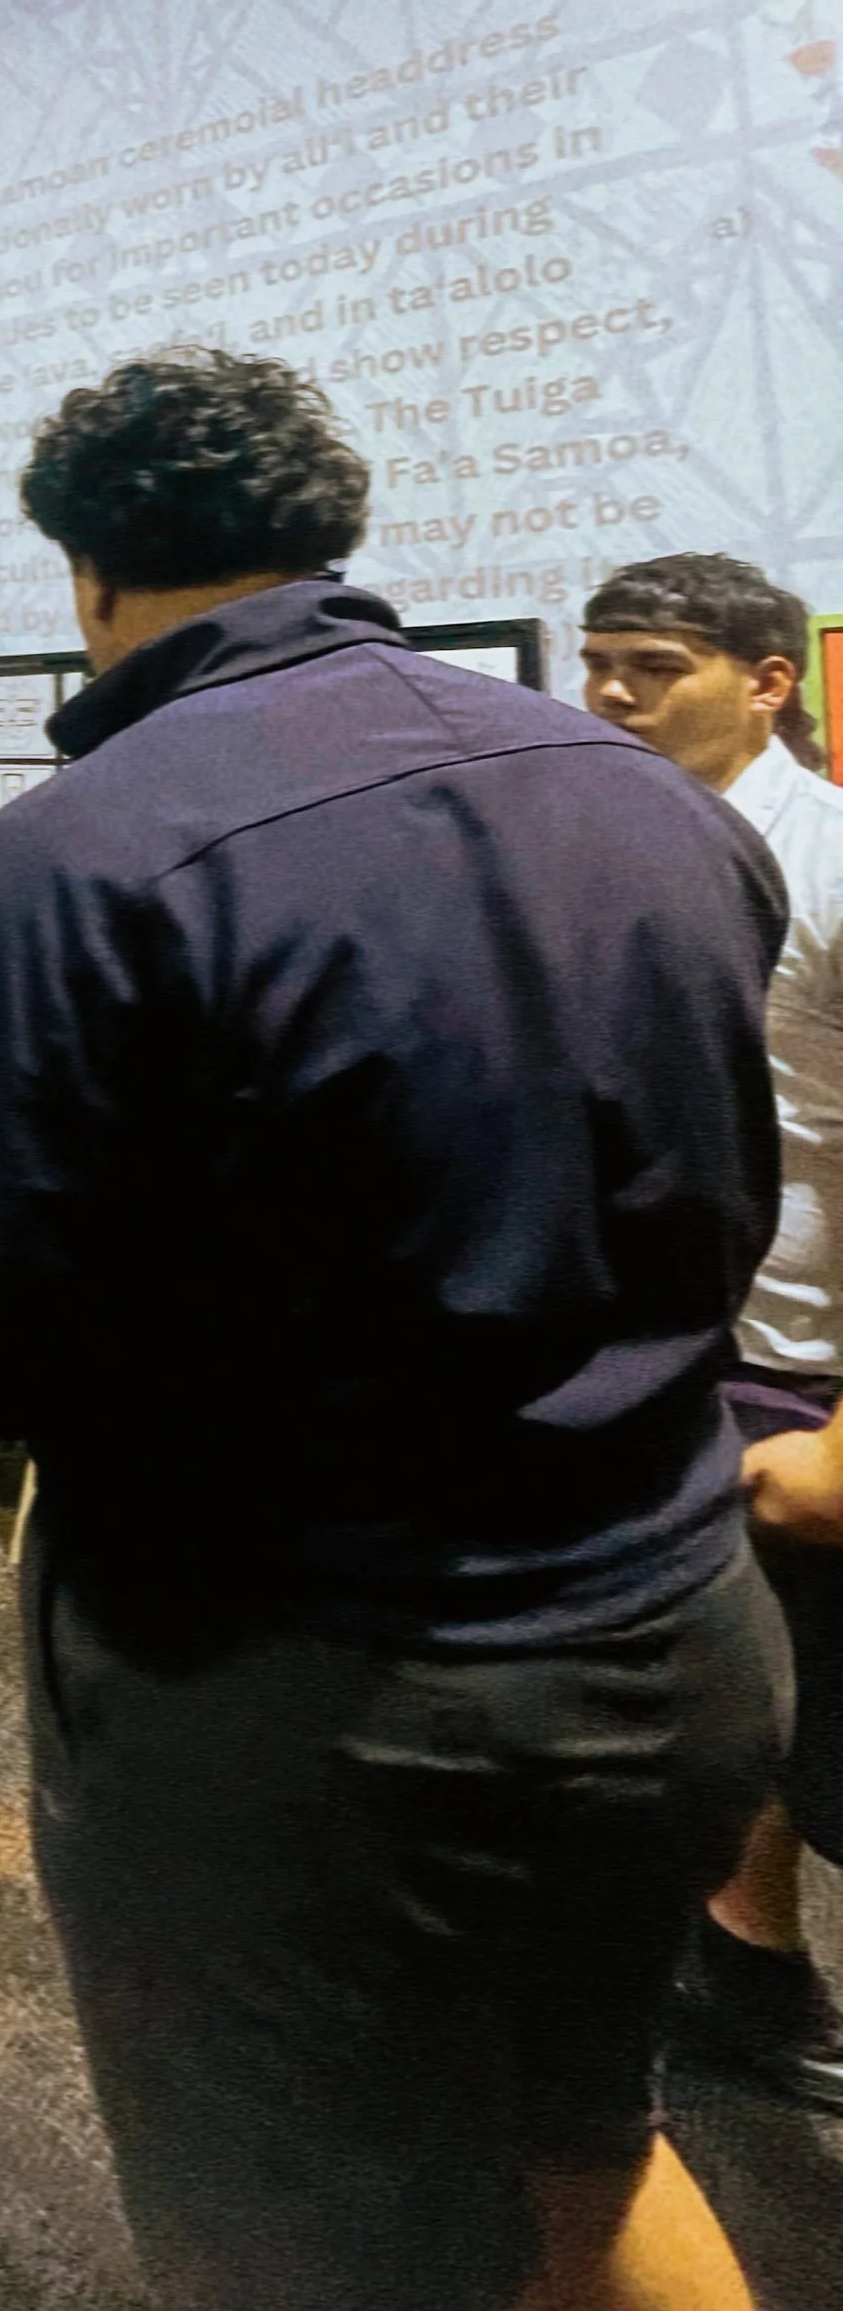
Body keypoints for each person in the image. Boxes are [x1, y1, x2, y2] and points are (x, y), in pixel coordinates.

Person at [0, 350, 789, 2311]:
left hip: (306, 1712)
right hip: (672, 1632)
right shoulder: (656, 806)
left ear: (84, 571)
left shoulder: (78, 849)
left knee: (284, 2243)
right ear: (331, 536)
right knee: (581, 2137)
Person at [580, 554, 843, 2110]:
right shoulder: (600, 844)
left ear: (768, 680)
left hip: (806, 1359)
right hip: (667, 1337)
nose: (609, 692)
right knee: (717, 1695)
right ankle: (745, 1968)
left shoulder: (832, 864)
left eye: (651, 665)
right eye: (598, 662)